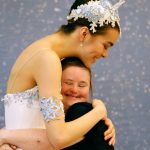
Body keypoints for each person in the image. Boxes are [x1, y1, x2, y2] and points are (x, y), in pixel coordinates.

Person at [0, 0, 125, 149]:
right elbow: (58, 138)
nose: (105, 54)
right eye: (105, 45)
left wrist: (96, 123)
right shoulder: (47, 59)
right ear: (84, 33)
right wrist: (99, 111)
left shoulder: (47, 55)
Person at [0, 57, 115, 150]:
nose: (75, 90)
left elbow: (52, 141)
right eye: (68, 83)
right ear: (55, 84)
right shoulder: (53, 117)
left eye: (82, 85)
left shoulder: (80, 111)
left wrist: (4, 137)